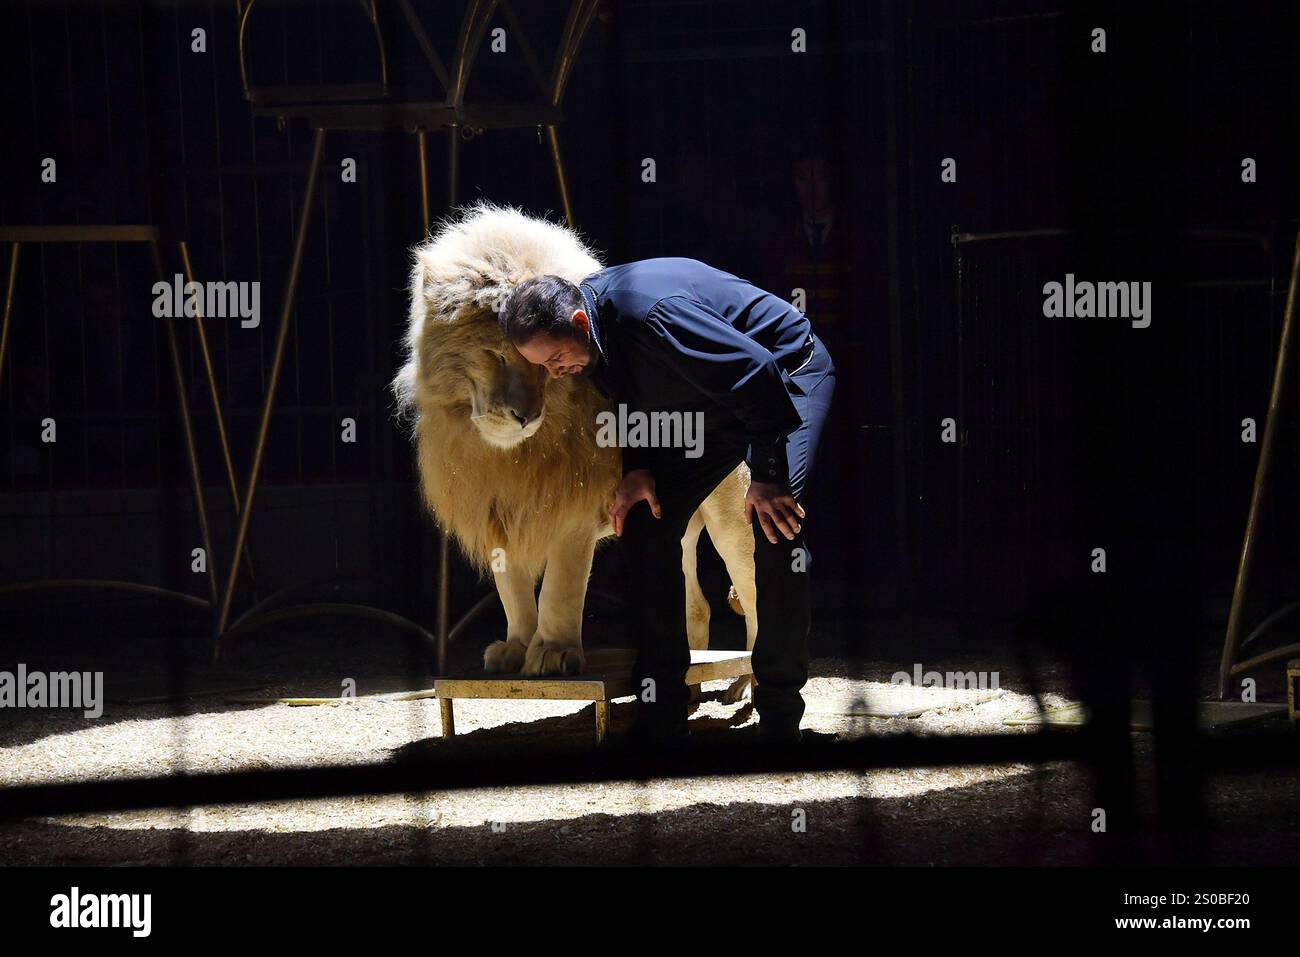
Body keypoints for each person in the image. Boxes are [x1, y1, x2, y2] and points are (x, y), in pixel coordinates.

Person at [499, 257, 836, 744]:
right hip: (709, 405)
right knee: (642, 520)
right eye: (543, 367)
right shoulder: (589, 334)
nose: (553, 373)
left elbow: (756, 371)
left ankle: (779, 711)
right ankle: (663, 707)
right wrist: (637, 469)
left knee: (774, 524)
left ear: (577, 322)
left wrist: (766, 476)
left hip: (783, 376)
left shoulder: (650, 314)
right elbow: (633, 394)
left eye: (553, 360)